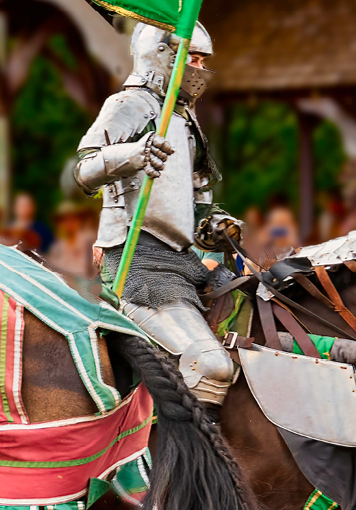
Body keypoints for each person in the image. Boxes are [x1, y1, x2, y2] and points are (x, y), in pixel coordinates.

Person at [72, 22, 242, 414]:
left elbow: (199, 199)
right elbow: (84, 170)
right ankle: (192, 465)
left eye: (203, 61)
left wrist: (216, 224)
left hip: (187, 262)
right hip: (139, 262)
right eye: (193, 59)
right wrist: (133, 154)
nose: (200, 70)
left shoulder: (186, 119)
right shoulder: (128, 105)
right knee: (211, 367)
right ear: (163, 56)